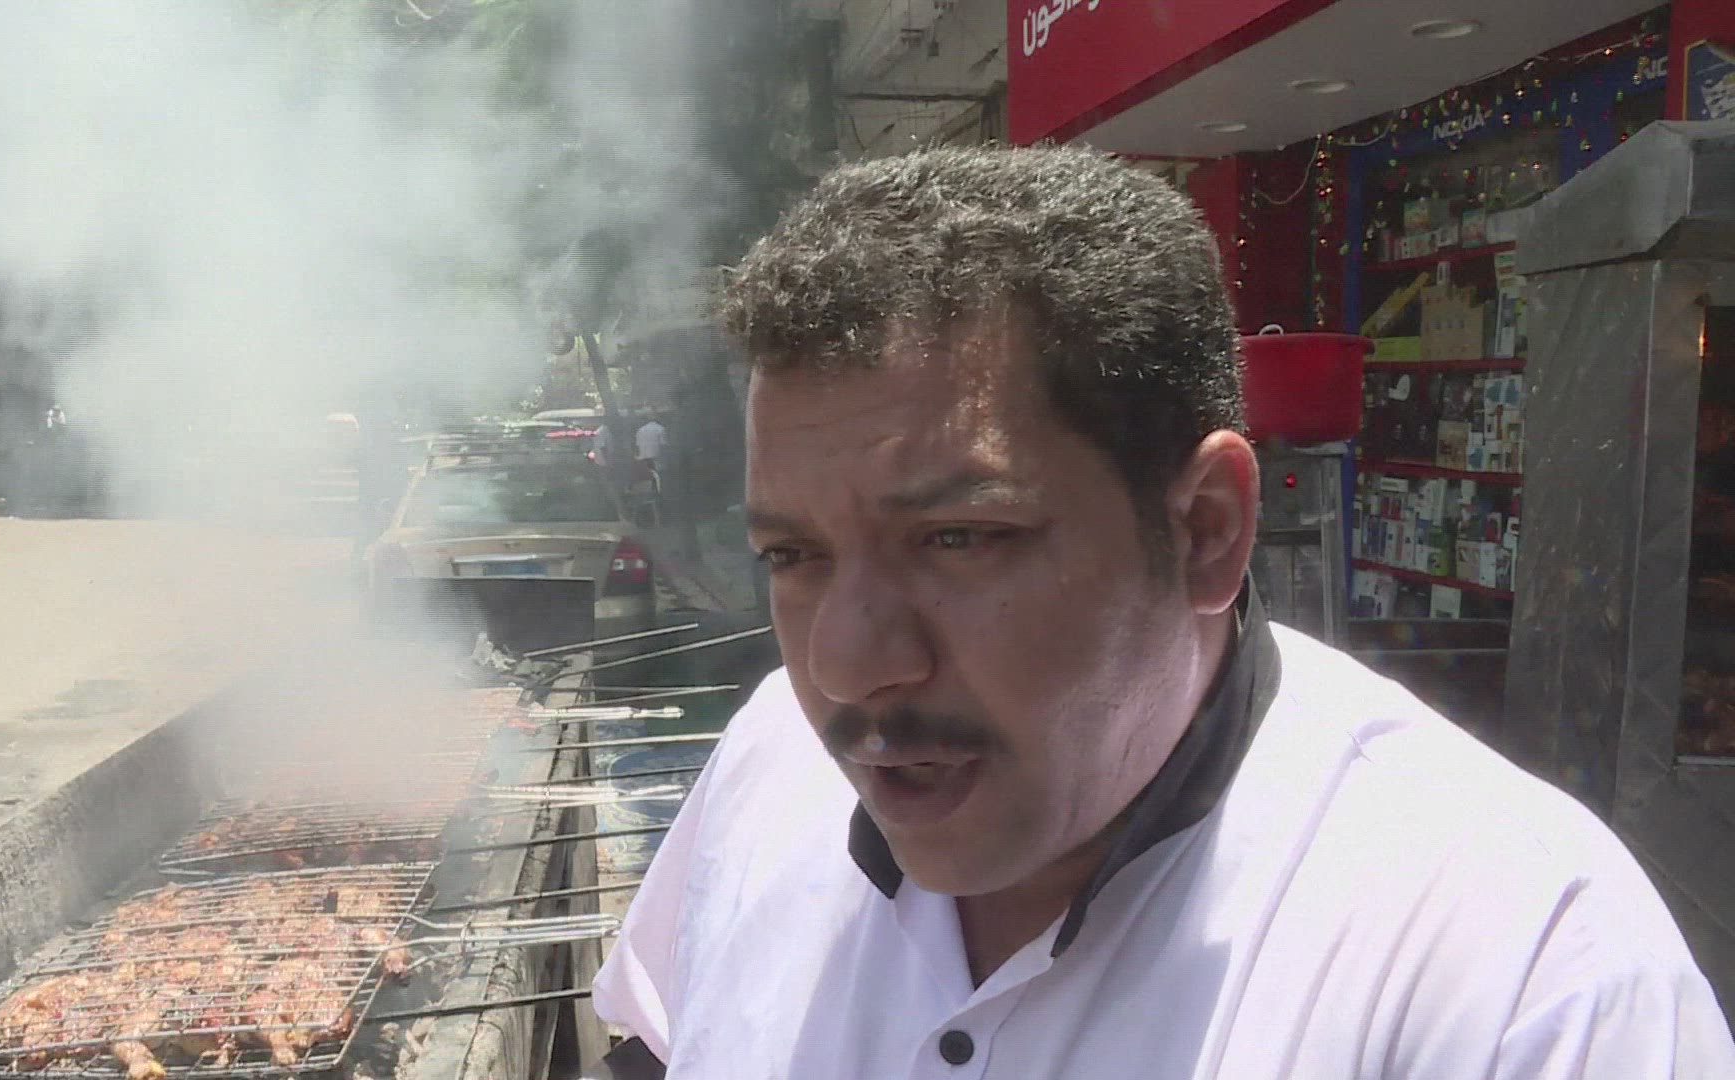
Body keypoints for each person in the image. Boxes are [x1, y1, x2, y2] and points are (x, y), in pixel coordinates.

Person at [586, 146, 1735, 1079]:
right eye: (791, 556)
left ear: (1205, 532)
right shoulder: (767, 764)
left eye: (958, 539)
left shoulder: (1524, 979)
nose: (845, 665)